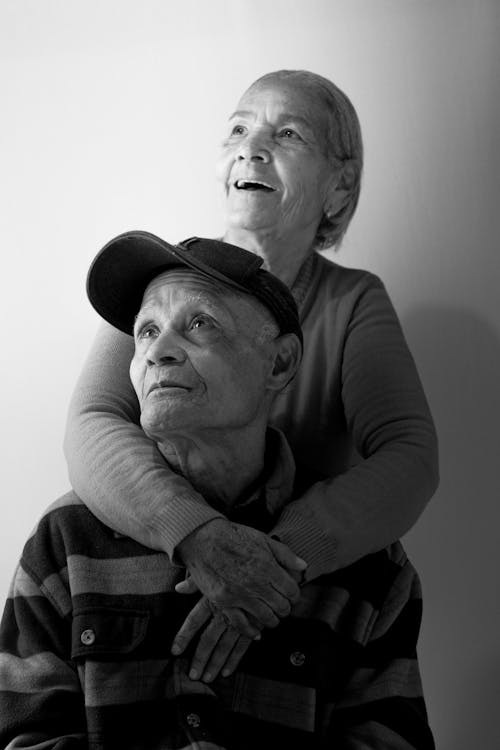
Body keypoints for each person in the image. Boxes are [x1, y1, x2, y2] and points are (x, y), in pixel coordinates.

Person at [64, 69, 439, 678]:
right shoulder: (160, 282)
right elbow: (90, 425)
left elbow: (411, 457)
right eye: (237, 128)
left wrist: (272, 563)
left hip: (296, 614)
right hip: (153, 585)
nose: (250, 146)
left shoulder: (353, 302)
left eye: (286, 133)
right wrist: (201, 539)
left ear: (339, 188)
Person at [0, 233, 435, 749]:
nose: (158, 352)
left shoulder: (372, 569)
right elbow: (21, 736)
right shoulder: (65, 541)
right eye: (146, 331)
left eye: (199, 324)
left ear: (279, 364)